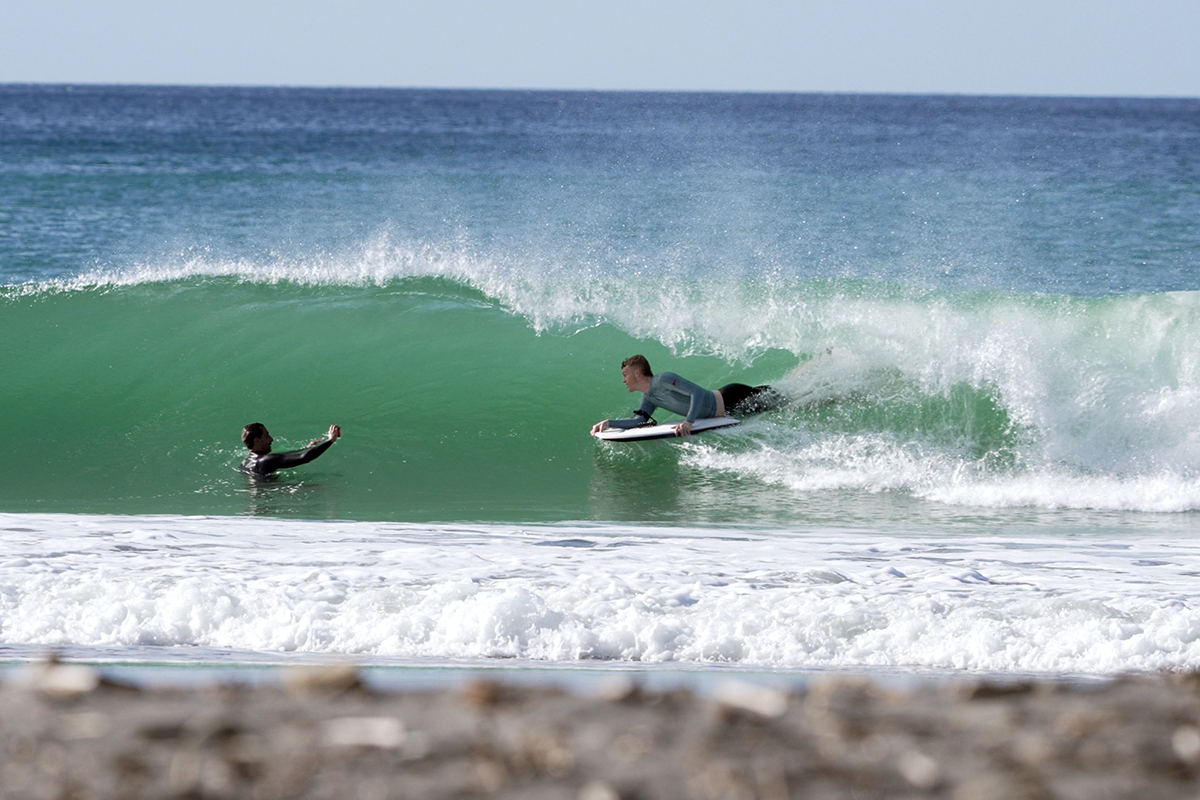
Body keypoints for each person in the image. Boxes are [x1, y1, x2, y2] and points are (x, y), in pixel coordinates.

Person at [591, 354, 782, 437]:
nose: (624, 380)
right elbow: (638, 421)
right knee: (771, 406)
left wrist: (689, 421)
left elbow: (696, 393)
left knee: (779, 401)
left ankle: (805, 394)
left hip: (731, 397)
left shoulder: (664, 379)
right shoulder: (649, 398)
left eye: (625, 375)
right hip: (727, 412)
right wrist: (610, 423)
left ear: (637, 374)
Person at [240, 422, 341, 476]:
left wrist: (306, 447)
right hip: (269, 498)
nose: (271, 439)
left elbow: (280, 456)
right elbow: (305, 458)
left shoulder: (245, 462)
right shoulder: (266, 460)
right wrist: (330, 440)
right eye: (267, 435)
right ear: (257, 441)